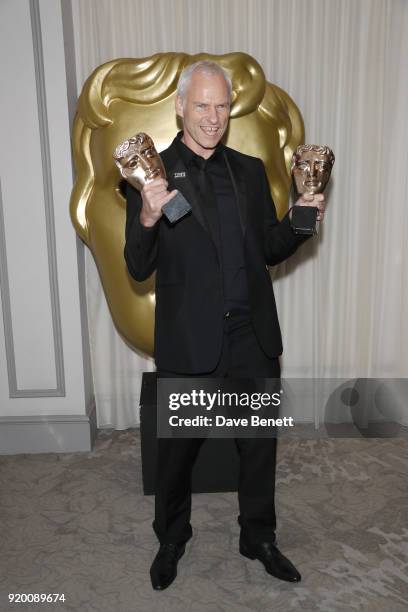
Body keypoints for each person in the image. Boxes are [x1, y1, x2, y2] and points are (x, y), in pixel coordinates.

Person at [124, 60, 325, 590]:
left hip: (250, 334)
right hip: (190, 338)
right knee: (177, 453)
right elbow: (137, 265)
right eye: (202, 105)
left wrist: (303, 214)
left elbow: (270, 250)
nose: (213, 117)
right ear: (180, 106)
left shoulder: (251, 169)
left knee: (258, 446)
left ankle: (257, 535)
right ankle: (171, 538)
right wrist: (147, 215)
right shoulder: (154, 176)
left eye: (221, 106)